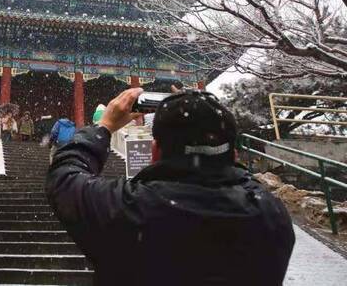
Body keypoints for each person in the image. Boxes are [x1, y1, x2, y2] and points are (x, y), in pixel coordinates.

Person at [46, 88, 295, 285]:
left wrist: (104, 127)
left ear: (154, 152)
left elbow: (64, 176)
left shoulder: (125, 209)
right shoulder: (270, 215)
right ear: (235, 155)